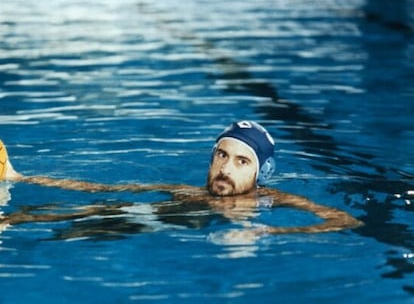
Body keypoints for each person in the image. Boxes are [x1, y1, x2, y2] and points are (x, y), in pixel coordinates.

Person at [0, 121, 362, 238]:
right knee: (93, 209)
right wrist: (21, 177)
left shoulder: (274, 201)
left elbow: (344, 219)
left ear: (260, 172)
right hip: (149, 220)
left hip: (180, 239)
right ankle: (11, 220)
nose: (226, 168)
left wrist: (269, 232)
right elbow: (102, 189)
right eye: (221, 155)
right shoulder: (184, 191)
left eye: (241, 161)